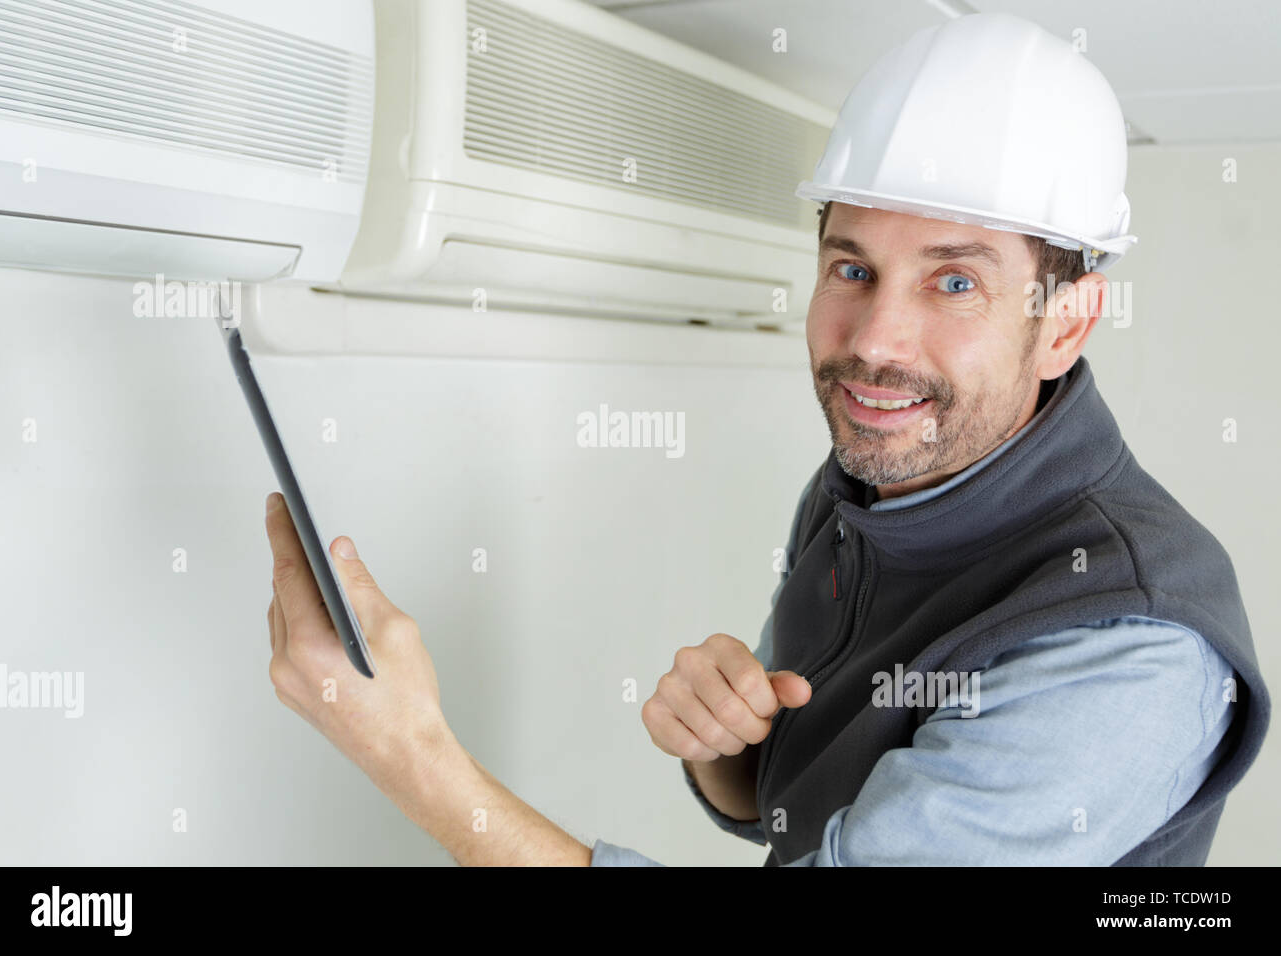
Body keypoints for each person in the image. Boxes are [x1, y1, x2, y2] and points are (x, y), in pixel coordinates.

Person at [262, 12, 1269, 866]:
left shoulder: (1128, 644)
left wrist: (411, 753)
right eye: (851, 266)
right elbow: (809, 799)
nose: (874, 341)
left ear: (1064, 322)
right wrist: (730, 755)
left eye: (953, 280)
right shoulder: (870, 482)